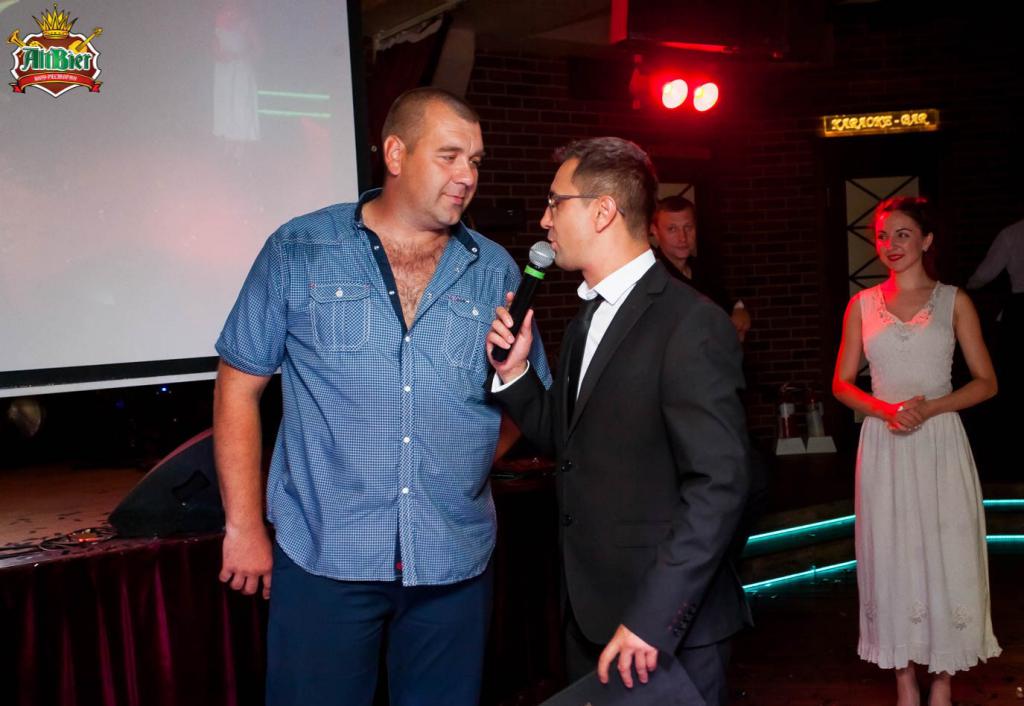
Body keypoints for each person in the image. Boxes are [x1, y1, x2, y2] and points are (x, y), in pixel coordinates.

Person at [213, 87, 550, 706]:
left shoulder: (496, 270)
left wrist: (466, 465)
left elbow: (526, 397)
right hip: (325, 557)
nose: (466, 175)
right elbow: (239, 385)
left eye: (475, 161)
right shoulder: (300, 249)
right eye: (449, 156)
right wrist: (243, 525)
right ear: (396, 154)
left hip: (452, 561)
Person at [487, 136, 752, 706]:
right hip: (592, 614)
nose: (544, 220)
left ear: (602, 210)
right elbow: (568, 441)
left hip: (664, 628)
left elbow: (720, 485)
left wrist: (654, 619)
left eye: (555, 202)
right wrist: (516, 374)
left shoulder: (690, 322)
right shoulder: (586, 320)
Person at [832, 196, 1000, 706]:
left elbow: (986, 382)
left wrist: (930, 409)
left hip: (939, 442)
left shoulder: (953, 301)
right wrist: (885, 410)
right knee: (891, 554)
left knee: (947, 552)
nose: (891, 244)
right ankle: (904, 680)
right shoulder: (862, 305)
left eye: (903, 234)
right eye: (883, 236)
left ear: (926, 240)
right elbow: (842, 383)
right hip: (885, 445)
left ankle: (943, 681)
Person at [650, 196, 752, 341]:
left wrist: (739, 309)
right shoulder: (653, 277)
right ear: (655, 231)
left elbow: (728, 303)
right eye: (672, 229)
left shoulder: (704, 269)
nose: (682, 238)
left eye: (688, 227)